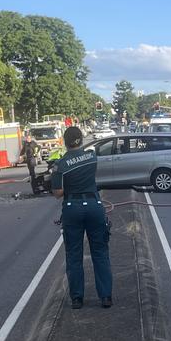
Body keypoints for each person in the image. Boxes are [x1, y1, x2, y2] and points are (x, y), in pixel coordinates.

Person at [51, 126, 113, 310]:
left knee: (74, 255)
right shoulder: (91, 157)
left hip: (72, 208)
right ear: (81, 139)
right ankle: (106, 296)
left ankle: (77, 298)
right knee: (100, 252)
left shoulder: (60, 165)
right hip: (94, 206)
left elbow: (57, 193)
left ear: (64, 141)